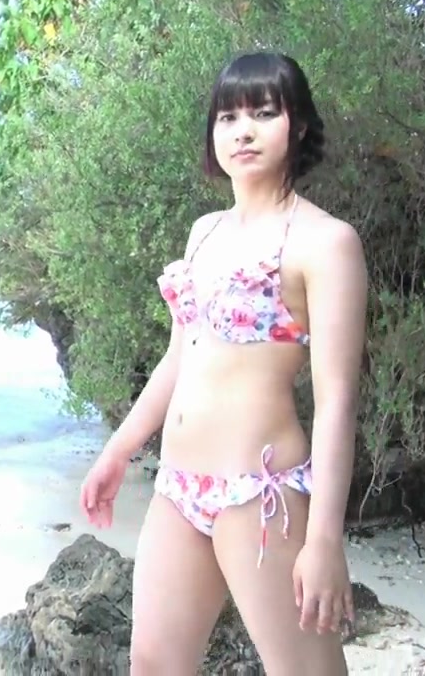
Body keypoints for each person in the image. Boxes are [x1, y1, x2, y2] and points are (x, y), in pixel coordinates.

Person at [78, 51, 368, 675]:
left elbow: (337, 399)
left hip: (260, 495)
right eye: (228, 117)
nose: (243, 131)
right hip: (178, 488)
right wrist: (118, 450)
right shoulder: (204, 231)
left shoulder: (325, 242)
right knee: (153, 665)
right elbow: (179, 357)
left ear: (298, 126)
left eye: (263, 113)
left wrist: (324, 539)